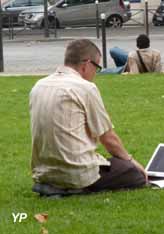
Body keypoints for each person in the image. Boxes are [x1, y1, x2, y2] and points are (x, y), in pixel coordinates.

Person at [29, 39, 147, 197]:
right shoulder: (85, 87)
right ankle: (71, 188)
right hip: (76, 172)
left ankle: (55, 185)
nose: (96, 73)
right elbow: (107, 137)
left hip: (44, 172)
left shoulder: (39, 86)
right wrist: (131, 161)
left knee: (109, 164)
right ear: (87, 64)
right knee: (133, 174)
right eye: (97, 67)